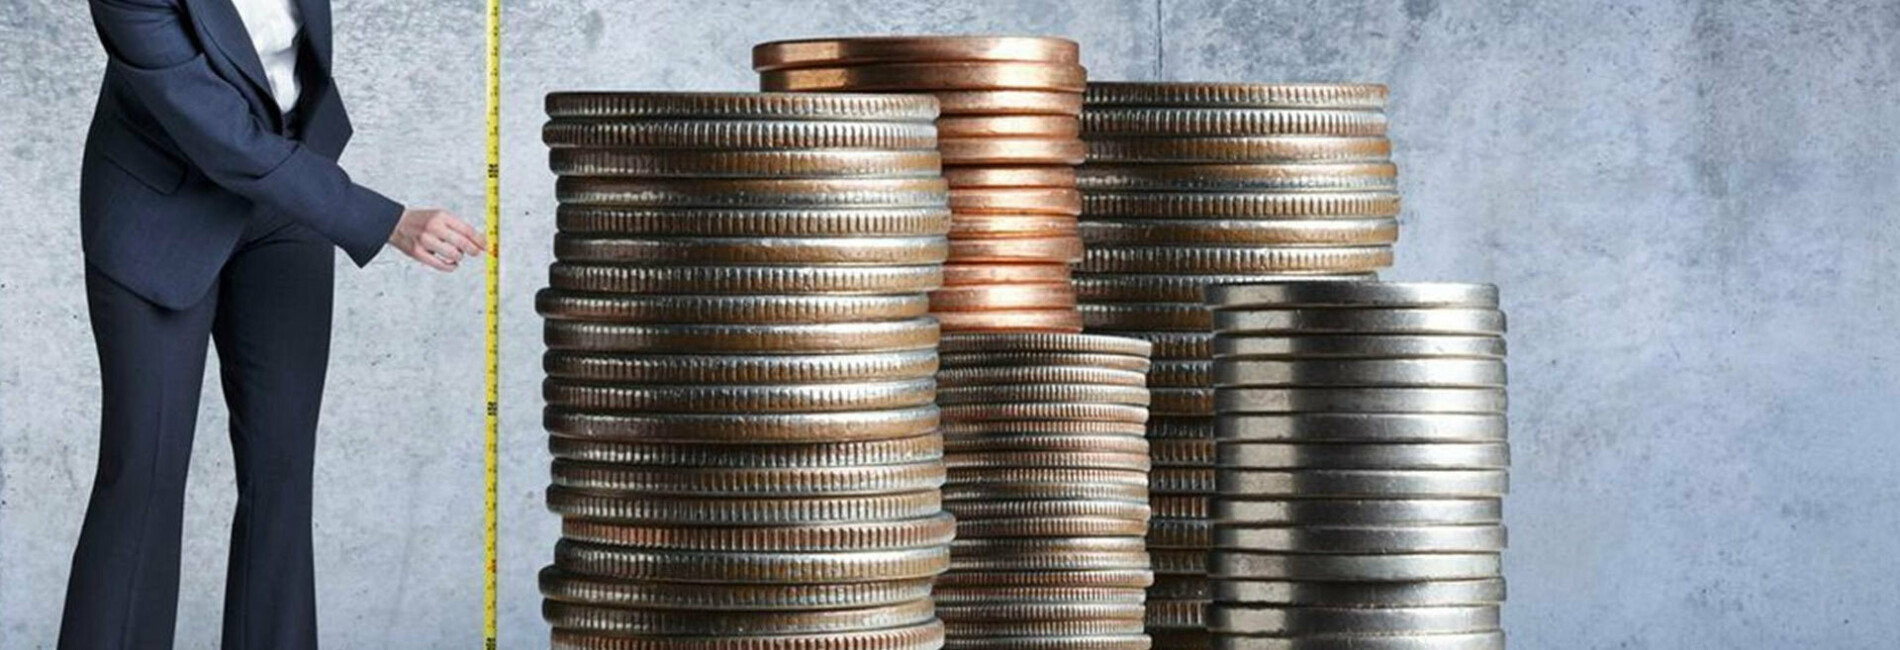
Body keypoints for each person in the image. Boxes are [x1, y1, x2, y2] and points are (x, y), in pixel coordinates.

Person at [64, 0, 485, 647]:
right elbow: (220, 135)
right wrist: (384, 220)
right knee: (143, 480)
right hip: (161, 212)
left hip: (286, 204)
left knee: (281, 477)